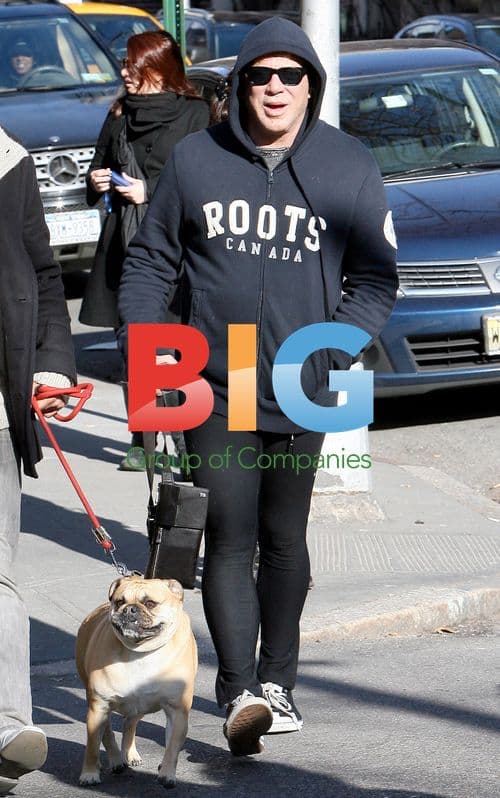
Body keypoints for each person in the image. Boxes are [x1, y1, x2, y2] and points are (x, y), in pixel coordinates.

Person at [118, 17, 399, 756]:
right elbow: (151, 266)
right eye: (259, 76)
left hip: (312, 371)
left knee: (286, 536)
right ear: (239, 84)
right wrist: (148, 367)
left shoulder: (350, 164)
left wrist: (335, 356)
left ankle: (280, 680)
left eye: (290, 75)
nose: (274, 89)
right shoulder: (194, 160)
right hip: (221, 373)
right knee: (228, 533)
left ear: (312, 84)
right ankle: (239, 687)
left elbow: (375, 280)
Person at [79, 30, 210, 471]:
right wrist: (98, 180)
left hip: (179, 253)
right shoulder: (118, 113)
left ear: (159, 68)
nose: (124, 74)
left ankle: (188, 446)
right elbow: (98, 165)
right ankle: (142, 439)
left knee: (180, 352)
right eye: (124, 66)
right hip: (125, 246)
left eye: (133, 66)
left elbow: (208, 181)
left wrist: (149, 190)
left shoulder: (195, 114)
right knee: (134, 346)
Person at [0, 126, 76, 791]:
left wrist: (51, 366)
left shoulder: (7, 159)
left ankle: (5, 729)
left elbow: (43, 273)